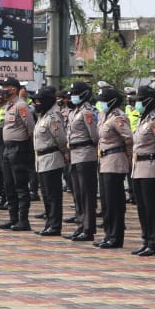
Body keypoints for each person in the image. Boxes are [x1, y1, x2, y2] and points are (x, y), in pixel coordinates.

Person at [129, 84, 155, 256]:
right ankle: (146, 240)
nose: (137, 103)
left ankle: (154, 243)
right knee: (142, 207)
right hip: (138, 167)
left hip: (151, 167)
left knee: (151, 207)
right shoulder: (142, 120)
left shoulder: (154, 121)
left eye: (139, 100)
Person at [95, 85, 133, 250]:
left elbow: (129, 138)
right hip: (104, 160)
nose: (101, 104)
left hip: (115, 160)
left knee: (114, 201)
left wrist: (129, 157)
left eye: (103, 101)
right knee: (106, 201)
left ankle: (116, 237)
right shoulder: (105, 115)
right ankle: (108, 234)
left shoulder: (118, 117)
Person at [0, 77, 35, 231]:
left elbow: (30, 128)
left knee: (20, 185)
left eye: (5, 87)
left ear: (13, 89)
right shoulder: (9, 105)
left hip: (18, 148)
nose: (2, 89)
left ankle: (23, 220)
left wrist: (25, 146)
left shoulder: (21, 105)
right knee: (9, 185)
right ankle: (13, 218)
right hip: (7, 148)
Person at [66, 81, 101, 242]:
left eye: (76, 93)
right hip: (74, 154)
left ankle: (88, 228)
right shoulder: (74, 111)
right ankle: (80, 224)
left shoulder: (87, 112)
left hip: (85, 154)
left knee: (87, 194)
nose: (73, 96)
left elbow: (94, 135)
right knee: (78, 193)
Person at [33, 86, 68, 237]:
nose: (36, 103)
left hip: (52, 158)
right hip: (41, 159)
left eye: (38, 101)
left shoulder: (53, 116)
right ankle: (49, 223)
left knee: (53, 195)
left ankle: (55, 225)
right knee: (46, 194)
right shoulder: (43, 115)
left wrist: (64, 153)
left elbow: (60, 139)